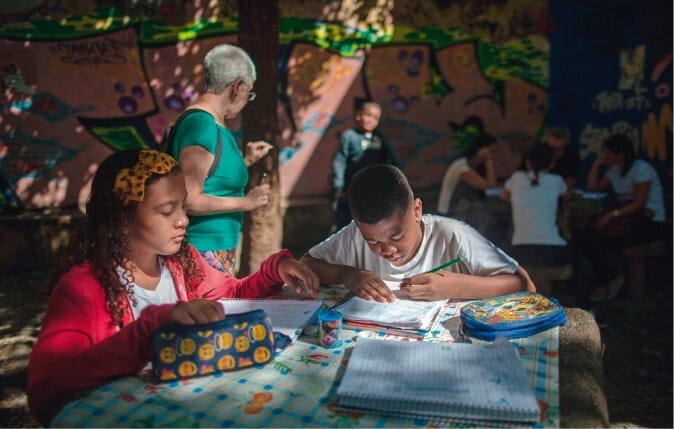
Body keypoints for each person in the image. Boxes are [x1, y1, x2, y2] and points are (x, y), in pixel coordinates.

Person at [26, 149, 318, 427]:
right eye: (167, 210)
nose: (183, 220)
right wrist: (150, 329)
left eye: (183, 205)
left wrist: (273, 271)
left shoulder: (180, 262)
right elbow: (45, 387)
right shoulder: (84, 287)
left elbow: (231, 296)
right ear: (122, 218)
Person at [300, 164, 535, 303]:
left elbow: (524, 284)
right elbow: (307, 264)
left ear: (416, 210)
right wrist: (346, 274)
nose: (387, 249)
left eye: (396, 236)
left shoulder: (452, 235)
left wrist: (457, 286)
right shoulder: (354, 235)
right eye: (372, 241)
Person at [170, 43, 274, 275]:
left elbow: (211, 177)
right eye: (249, 93)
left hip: (216, 249)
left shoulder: (213, 123)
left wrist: (246, 160)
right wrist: (245, 202)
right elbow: (190, 199)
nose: (247, 100)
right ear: (237, 87)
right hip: (202, 251)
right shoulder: (201, 125)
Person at [578, 133, 667, 302]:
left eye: (608, 153)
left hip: (649, 222)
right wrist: (596, 166)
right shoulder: (614, 171)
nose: (605, 156)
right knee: (587, 237)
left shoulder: (641, 169)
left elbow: (639, 202)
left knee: (600, 241)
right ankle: (608, 278)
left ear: (621, 155)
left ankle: (609, 281)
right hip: (625, 220)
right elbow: (592, 188)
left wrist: (610, 216)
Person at [332, 101, 399, 230]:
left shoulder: (379, 137)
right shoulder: (349, 136)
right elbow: (340, 161)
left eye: (375, 118)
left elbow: (390, 159)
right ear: (358, 116)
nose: (371, 120)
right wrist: (338, 185)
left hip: (375, 189)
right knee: (347, 223)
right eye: (368, 115)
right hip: (351, 189)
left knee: (372, 222)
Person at [500, 144, 571, 267]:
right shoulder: (556, 180)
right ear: (552, 164)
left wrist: (519, 201)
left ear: (528, 162)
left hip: (520, 250)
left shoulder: (516, 178)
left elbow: (503, 195)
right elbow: (567, 197)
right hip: (552, 250)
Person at [436, 133, 498, 217]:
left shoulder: (474, 167)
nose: (494, 156)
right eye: (492, 152)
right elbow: (490, 185)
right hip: (448, 213)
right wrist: (488, 160)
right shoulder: (461, 166)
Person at [544, 126, 581, 193]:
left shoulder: (572, 154)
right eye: (550, 148)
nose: (553, 152)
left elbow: (569, 183)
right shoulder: (539, 150)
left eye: (558, 149)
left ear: (567, 146)